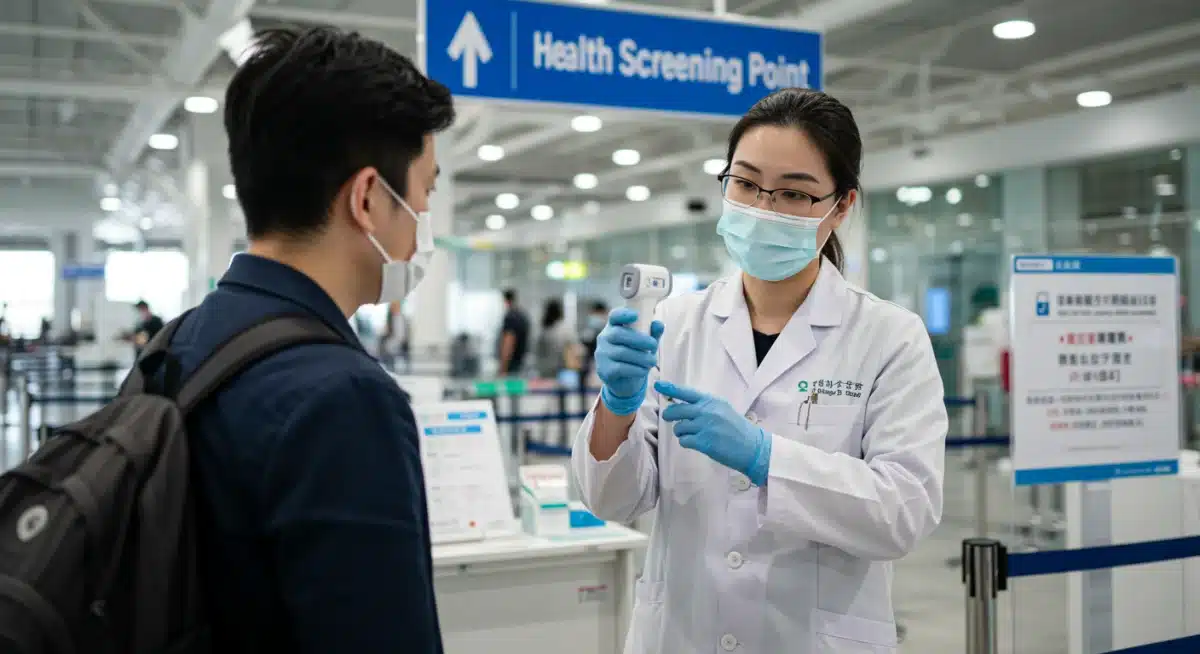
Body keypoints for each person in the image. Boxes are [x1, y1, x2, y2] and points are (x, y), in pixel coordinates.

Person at [572, 88, 947, 653]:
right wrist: (617, 409)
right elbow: (613, 501)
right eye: (745, 184)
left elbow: (904, 512)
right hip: (681, 632)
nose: (762, 209)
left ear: (841, 206)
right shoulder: (673, 323)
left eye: (794, 193)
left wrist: (766, 458)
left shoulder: (889, 337)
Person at [162, 26, 454, 653]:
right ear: (370, 198)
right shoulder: (343, 399)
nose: (424, 220)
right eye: (426, 191)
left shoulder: (181, 342)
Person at [533, 298, 580, 379]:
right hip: (563, 371)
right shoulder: (565, 328)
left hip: (544, 370)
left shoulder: (543, 329)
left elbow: (537, 350)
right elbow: (575, 348)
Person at [496, 288, 530, 375]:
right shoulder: (522, 315)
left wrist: (503, 367)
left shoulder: (511, 317)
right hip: (521, 362)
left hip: (511, 364)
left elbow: (509, 342)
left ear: (505, 300)